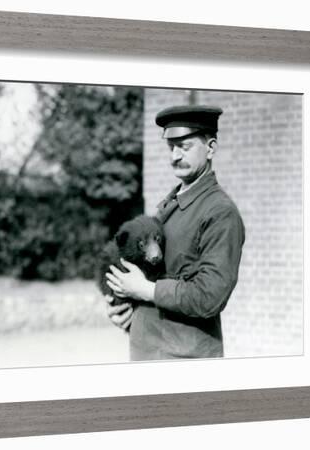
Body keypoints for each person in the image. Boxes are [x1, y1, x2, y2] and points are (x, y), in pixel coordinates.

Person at [105, 105, 245, 360]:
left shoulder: (220, 213)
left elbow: (209, 296)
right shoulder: (167, 208)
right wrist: (124, 308)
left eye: (185, 146)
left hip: (185, 361)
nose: (175, 156)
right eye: (171, 147)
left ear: (211, 147)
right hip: (146, 354)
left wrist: (145, 290)